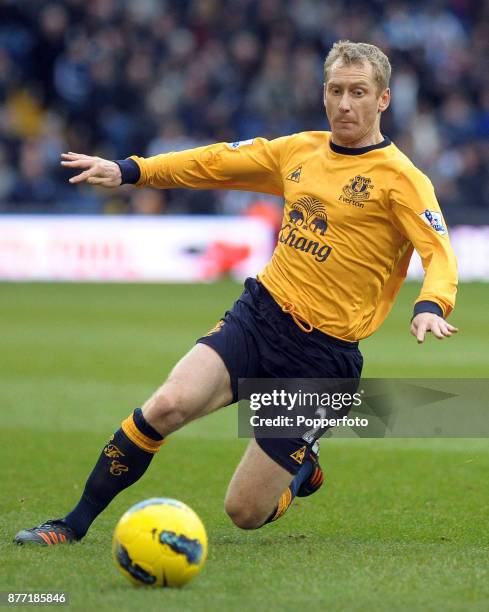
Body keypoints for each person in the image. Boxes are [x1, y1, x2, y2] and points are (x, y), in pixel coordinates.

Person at [14, 41, 458, 547]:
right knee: (165, 406)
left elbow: (438, 251)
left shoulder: (403, 179)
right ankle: (71, 525)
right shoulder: (298, 151)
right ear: (323, 93)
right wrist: (132, 170)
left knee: (244, 512)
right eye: (335, 90)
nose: (344, 104)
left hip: (322, 357)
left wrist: (431, 304)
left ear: (383, 100)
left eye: (358, 92)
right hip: (260, 316)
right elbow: (215, 162)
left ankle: (301, 466)